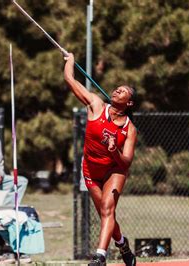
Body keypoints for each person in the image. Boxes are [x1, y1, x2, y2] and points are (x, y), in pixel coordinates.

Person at [64, 53, 138, 266]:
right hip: (90, 169)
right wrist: (70, 61)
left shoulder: (129, 129)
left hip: (113, 170)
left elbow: (126, 162)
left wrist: (114, 149)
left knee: (107, 209)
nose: (117, 90)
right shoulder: (96, 105)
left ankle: (100, 257)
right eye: (117, 88)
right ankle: (123, 245)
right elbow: (71, 80)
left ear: (129, 102)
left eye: (123, 91)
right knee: (107, 215)